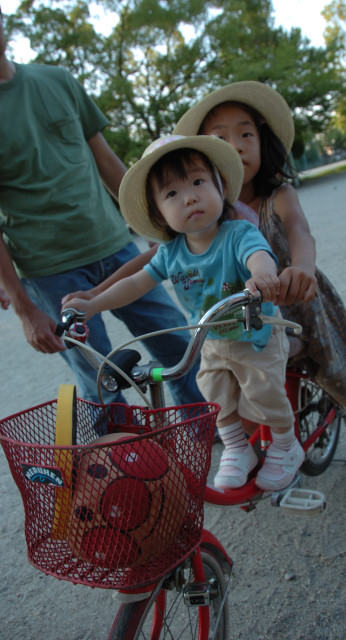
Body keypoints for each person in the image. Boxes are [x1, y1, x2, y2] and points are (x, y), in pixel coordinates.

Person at [172, 80, 346, 489]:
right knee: (230, 384)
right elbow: (154, 259)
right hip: (247, 320)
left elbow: (299, 231)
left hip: (302, 304)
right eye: (220, 138)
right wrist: (96, 295)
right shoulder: (205, 215)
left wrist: (302, 266)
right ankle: (258, 447)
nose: (235, 145)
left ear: (264, 141)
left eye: (246, 134)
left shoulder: (278, 195)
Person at [63, 134, 306, 491]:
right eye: (171, 194)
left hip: (254, 333)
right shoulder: (169, 253)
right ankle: (238, 448)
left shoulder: (237, 233)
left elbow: (259, 255)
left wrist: (261, 275)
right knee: (213, 396)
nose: (189, 196)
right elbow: (134, 284)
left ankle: (287, 445)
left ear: (220, 188)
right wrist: (94, 304)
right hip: (211, 340)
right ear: (158, 212)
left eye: (197, 182)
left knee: (263, 391)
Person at [0, 6, 203, 407]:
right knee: (100, 377)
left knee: (179, 344)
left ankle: (207, 429)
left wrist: (160, 224)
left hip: (116, 245)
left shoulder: (57, 80)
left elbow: (108, 162)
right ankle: (127, 461)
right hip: (47, 270)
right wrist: (24, 309)